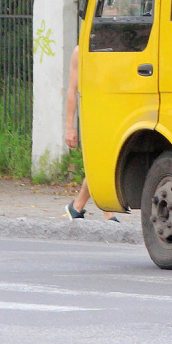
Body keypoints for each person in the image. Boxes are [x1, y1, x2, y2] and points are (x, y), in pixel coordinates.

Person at [63, 45, 118, 221]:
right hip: (94, 115)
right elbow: (73, 90)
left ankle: (77, 206)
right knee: (103, 164)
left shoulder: (121, 47)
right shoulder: (81, 52)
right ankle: (107, 213)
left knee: (105, 164)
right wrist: (69, 127)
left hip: (115, 113)